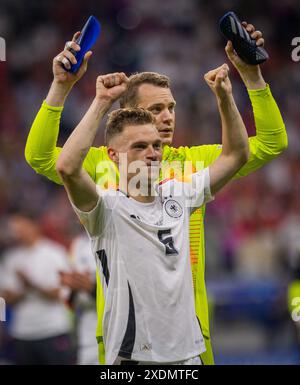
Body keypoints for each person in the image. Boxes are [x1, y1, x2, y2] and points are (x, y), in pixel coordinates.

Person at [25, 21, 287, 364]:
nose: (166, 118)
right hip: (124, 334)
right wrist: (61, 87)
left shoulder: (193, 164)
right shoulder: (104, 162)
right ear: (128, 115)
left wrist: (250, 76)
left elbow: (270, 142)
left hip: (190, 329)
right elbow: (40, 157)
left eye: (171, 108)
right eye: (154, 110)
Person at [55, 60, 249, 364]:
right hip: (133, 357)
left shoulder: (180, 194)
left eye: (156, 145)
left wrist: (225, 97)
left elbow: (237, 154)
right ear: (113, 156)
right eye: (140, 146)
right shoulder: (104, 209)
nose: (152, 153)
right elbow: (67, 166)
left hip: (189, 356)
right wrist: (101, 102)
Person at [0, 211, 75, 365]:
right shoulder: (11, 257)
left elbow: (61, 293)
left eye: (21, 226)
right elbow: (6, 298)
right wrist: (24, 288)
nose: (18, 232)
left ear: (34, 226)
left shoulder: (54, 253)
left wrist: (31, 284)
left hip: (52, 329)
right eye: (14, 228)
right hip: (22, 332)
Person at [60, 233, 98, 365]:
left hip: (119, 327)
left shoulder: (119, 235)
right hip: (87, 329)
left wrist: (92, 289)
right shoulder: (77, 243)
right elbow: (68, 300)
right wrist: (72, 286)